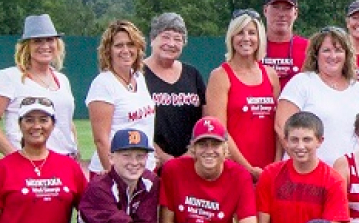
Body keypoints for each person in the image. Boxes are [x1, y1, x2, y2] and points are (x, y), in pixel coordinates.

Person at [256, 112, 354, 223]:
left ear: (320, 141)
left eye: (307, 139)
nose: (300, 146)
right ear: (285, 141)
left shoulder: (333, 180)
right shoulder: (270, 174)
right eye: (294, 140)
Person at [0, 14, 78, 161]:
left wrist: (75, 150)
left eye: (50, 40)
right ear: (27, 46)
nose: (45, 46)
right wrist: (15, 157)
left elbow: (67, 121)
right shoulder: (9, 77)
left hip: (65, 161)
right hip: (30, 161)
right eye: (37, 41)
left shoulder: (62, 80)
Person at [277, 28, 359, 164]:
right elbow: (281, 127)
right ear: (316, 54)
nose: (333, 56)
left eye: (338, 50)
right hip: (308, 174)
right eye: (326, 50)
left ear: (347, 55)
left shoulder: (358, 89)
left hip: (349, 176)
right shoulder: (302, 82)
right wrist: (305, 164)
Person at [206, 11, 279, 177]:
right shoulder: (220, 76)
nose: (246, 38)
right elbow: (220, 130)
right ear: (231, 38)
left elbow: (278, 126)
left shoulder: (271, 75)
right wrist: (248, 169)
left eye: (252, 33)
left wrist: (275, 165)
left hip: (269, 172)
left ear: (260, 38)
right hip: (234, 170)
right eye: (240, 33)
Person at [87, 19, 157, 175]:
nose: (125, 50)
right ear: (108, 50)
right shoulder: (103, 83)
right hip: (115, 173)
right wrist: (113, 178)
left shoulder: (139, 77)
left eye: (131, 44)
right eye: (119, 45)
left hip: (143, 170)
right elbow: (101, 140)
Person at [143, 13, 208, 162]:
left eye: (178, 39)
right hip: (150, 161)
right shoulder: (138, 75)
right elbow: (132, 122)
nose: (171, 43)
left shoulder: (193, 74)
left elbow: (206, 119)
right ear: (153, 39)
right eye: (165, 37)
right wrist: (163, 156)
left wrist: (191, 152)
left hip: (191, 161)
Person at [259, 0, 309, 86]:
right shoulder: (253, 46)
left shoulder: (309, 48)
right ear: (265, 10)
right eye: (275, 7)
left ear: (295, 13)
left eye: (287, 9)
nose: (281, 14)